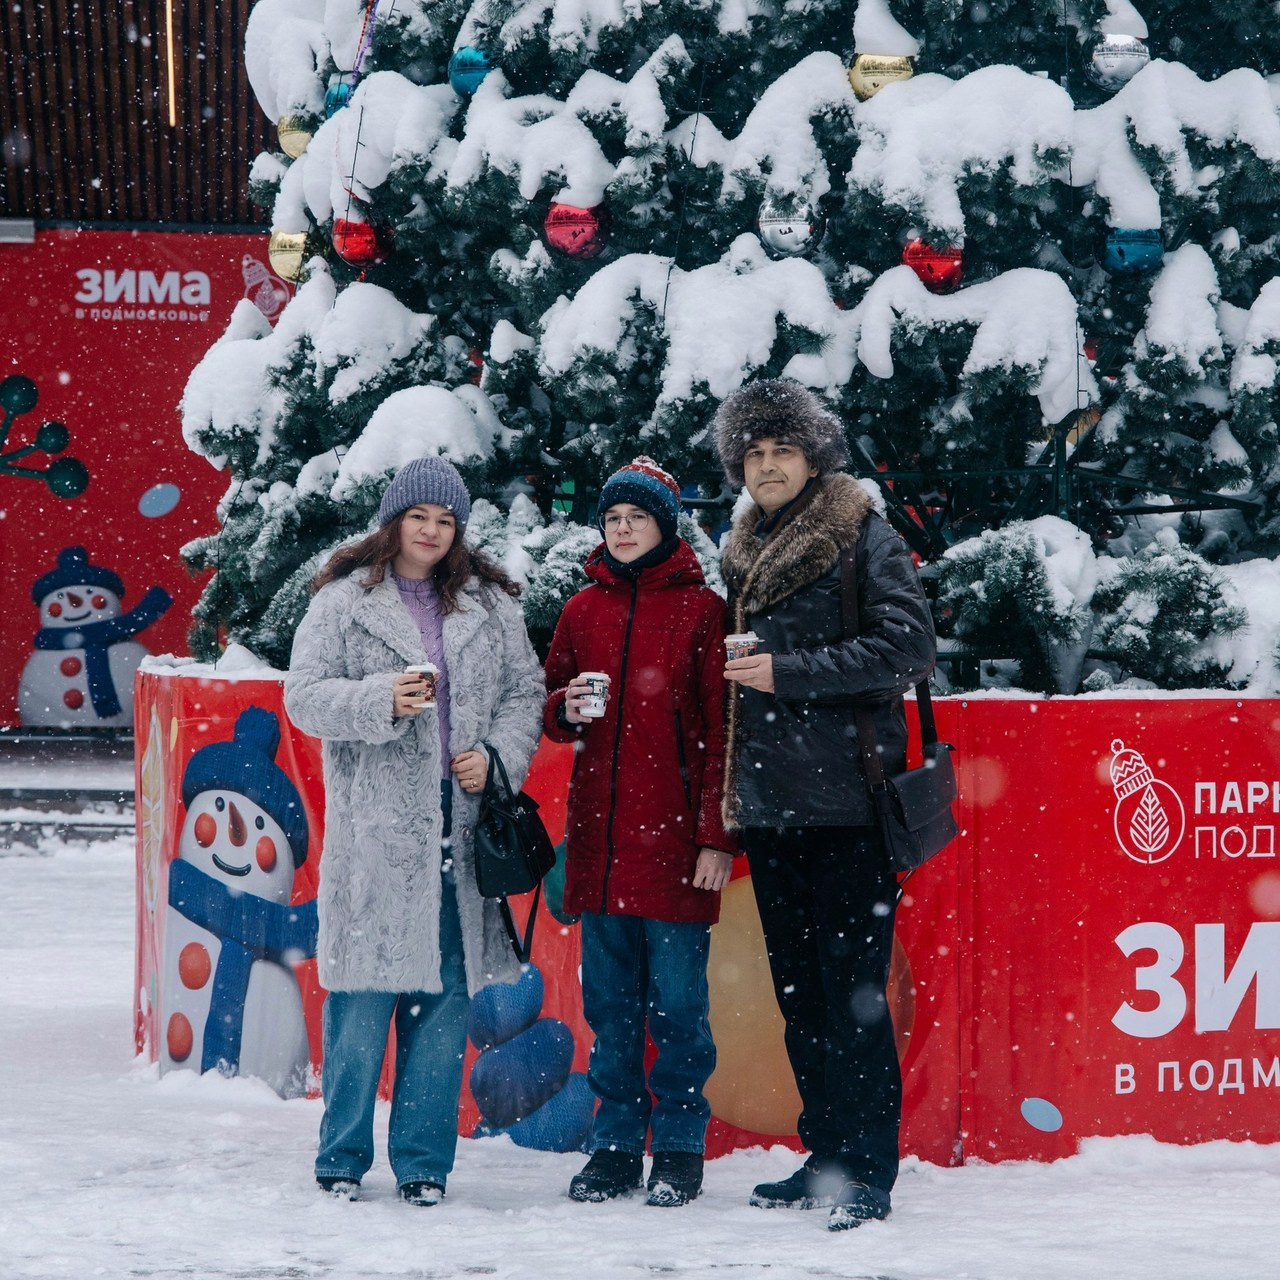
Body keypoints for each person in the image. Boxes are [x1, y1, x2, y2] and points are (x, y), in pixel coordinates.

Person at [284, 455, 543, 1207]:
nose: (430, 532)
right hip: (376, 834)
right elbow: (303, 698)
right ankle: (341, 1156)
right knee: (362, 998)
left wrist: (496, 759)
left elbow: (526, 694)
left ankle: (425, 1163)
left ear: (459, 529)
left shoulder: (490, 605)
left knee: (446, 1004)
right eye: (418, 517)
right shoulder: (342, 602)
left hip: (462, 831)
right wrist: (379, 699)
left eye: (445, 520)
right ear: (393, 521)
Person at [712, 379, 936, 1231]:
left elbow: (909, 645)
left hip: (848, 806)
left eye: (783, 451)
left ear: (814, 460)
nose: (767, 466)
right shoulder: (744, 545)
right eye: (755, 453)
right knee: (801, 995)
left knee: (853, 994)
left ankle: (871, 1168)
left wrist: (788, 673)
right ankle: (830, 1154)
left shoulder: (859, 533)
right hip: (772, 809)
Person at [543, 457, 737, 1208]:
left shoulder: (703, 612)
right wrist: (566, 707)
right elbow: (549, 707)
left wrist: (717, 837)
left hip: (679, 854)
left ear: (665, 527)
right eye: (613, 520)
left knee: (681, 1009)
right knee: (611, 1010)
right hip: (600, 848)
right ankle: (617, 1142)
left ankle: (681, 1146)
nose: (623, 531)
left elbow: (726, 732)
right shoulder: (581, 611)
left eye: (638, 519)